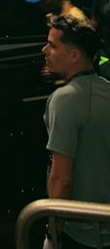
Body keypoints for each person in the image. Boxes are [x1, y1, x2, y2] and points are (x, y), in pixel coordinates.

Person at [42, 17, 110, 249]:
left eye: (52, 45)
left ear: (74, 55)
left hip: (86, 233)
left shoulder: (64, 100)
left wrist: (52, 231)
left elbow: (62, 178)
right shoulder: (106, 89)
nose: (45, 50)